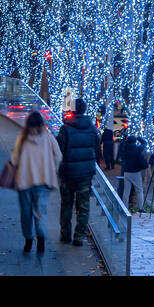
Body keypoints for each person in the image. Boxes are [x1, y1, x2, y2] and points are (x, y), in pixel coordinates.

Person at [12, 110, 62, 254]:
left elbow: (14, 159)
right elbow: (58, 156)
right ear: (41, 123)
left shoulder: (22, 138)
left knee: (26, 213)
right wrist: (51, 168)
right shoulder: (49, 138)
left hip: (24, 181)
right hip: (44, 181)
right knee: (41, 212)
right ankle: (41, 239)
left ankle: (28, 240)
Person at [56, 98, 101, 245]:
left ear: (73, 109)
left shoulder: (66, 128)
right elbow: (96, 147)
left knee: (66, 204)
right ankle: (79, 236)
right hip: (86, 173)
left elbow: (59, 149)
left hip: (68, 172)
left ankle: (65, 234)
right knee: (84, 205)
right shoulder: (92, 128)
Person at [118, 133, 149, 210]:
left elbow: (122, 144)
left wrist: (125, 140)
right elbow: (144, 143)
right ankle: (141, 208)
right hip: (136, 172)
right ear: (135, 141)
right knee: (139, 190)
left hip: (126, 172)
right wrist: (138, 137)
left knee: (126, 191)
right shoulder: (138, 149)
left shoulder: (125, 149)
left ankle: (125, 207)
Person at [100, 106, 116, 171]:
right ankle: (112, 165)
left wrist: (100, 142)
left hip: (106, 145)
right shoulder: (111, 132)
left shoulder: (104, 132)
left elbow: (102, 139)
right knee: (111, 155)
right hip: (111, 144)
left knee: (106, 156)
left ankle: (108, 166)